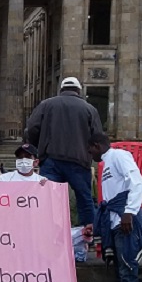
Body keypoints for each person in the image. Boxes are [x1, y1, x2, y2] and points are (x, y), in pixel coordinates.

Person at [87, 133, 142, 282]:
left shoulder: (119, 156)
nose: (89, 154)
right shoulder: (106, 164)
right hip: (115, 223)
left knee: (129, 276)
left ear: (96, 145)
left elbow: (137, 182)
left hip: (125, 223)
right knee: (122, 276)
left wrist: (129, 212)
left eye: (90, 149)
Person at [26, 76, 103, 228]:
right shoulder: (89, 109)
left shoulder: (46, 105)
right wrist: (92, 157)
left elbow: (32, 128)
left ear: (61, 90)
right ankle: (89, 234)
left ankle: (48, 231)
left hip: (51, 160)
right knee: (84, 198)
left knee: (48, 198)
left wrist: (37, 149)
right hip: (79, 162)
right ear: (79, 91)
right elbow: (98, 137)